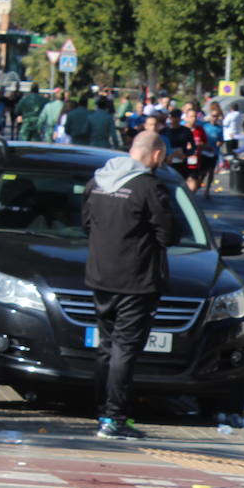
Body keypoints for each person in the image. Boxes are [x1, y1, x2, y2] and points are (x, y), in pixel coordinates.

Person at [81, 130, 175, 441]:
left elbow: (86, 224)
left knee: (106, 346)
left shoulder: (98, 182)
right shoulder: (149, 187)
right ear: (156, 155)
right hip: (136, 281)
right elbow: (169, 234)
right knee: (125, 349)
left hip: (100, 277)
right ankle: (115, 418)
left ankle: (101, 410)